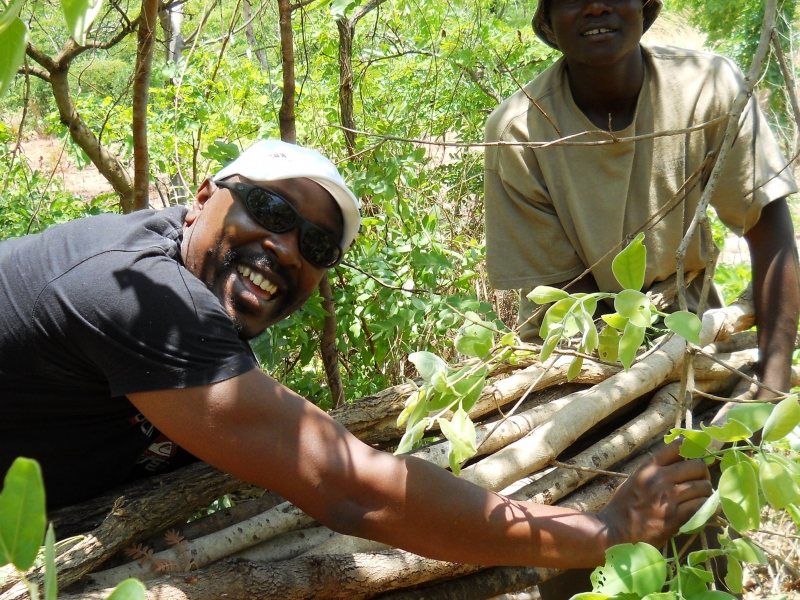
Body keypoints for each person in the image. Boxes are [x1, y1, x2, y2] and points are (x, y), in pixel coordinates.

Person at [0, 139, 710, 569]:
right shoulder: (137, 294)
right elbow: (351, 488)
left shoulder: (194, 281)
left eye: (315, 247)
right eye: (271, 212)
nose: (283, 248)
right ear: (201, 198)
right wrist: (604, 531)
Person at [484, 0, 800, 404]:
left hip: (691, 326)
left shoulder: (707, 86)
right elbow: (574, 303)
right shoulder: (519, 131)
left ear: (646, 6)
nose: (596, 8)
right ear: (547, 18)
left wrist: (771, 382)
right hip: (576, 356)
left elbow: (767, 227)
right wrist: (659, 379)